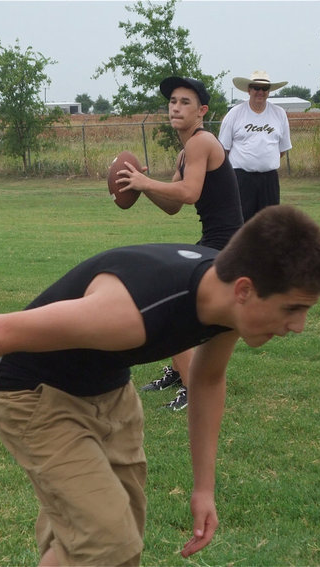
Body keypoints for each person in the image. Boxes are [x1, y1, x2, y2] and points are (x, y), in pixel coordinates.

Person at [0, 205, 320, 566]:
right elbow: (1, 330)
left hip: (109, 394)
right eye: (292, 309)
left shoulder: (227, 299)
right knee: (109, 541)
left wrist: (204, 488)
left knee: (114, 545)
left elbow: (206, 381)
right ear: (246, 290)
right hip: (34, 393)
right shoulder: (129, 313)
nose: (297, 326)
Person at [116, 76, 244, 410]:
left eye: (185, 102)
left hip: (226, 245)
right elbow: (174, 206)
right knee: (172, 297)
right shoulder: (184, 154)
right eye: (172, 101)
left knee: (174, 305)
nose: (176, 107)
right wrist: (143, 186)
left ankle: (193, 387)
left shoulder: (200, 143)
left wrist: (147, 180)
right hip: (214, 241)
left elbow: (189, 192)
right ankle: (178, 370)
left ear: (201, 111)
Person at [218, 70, 292, 221]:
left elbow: (281, 150)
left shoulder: (279, 114)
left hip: (269, 180)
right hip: (241, 179)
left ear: (269, 92)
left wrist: (264, 161)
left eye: (264, 89)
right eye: (256, 88)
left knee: (270, 224)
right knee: (241, 222)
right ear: (248, 90)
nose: (260, 92)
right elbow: (223, 150)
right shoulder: (235, 114)